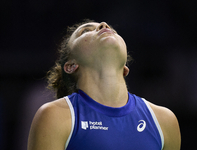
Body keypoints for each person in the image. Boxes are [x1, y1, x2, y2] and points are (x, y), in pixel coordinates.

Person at [28, 20, 181, 150]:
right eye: (85, 31)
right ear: (71, 65)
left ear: (125, 68)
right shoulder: (54, 117)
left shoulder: (164, 121)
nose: (103, 25)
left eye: (112, 30)